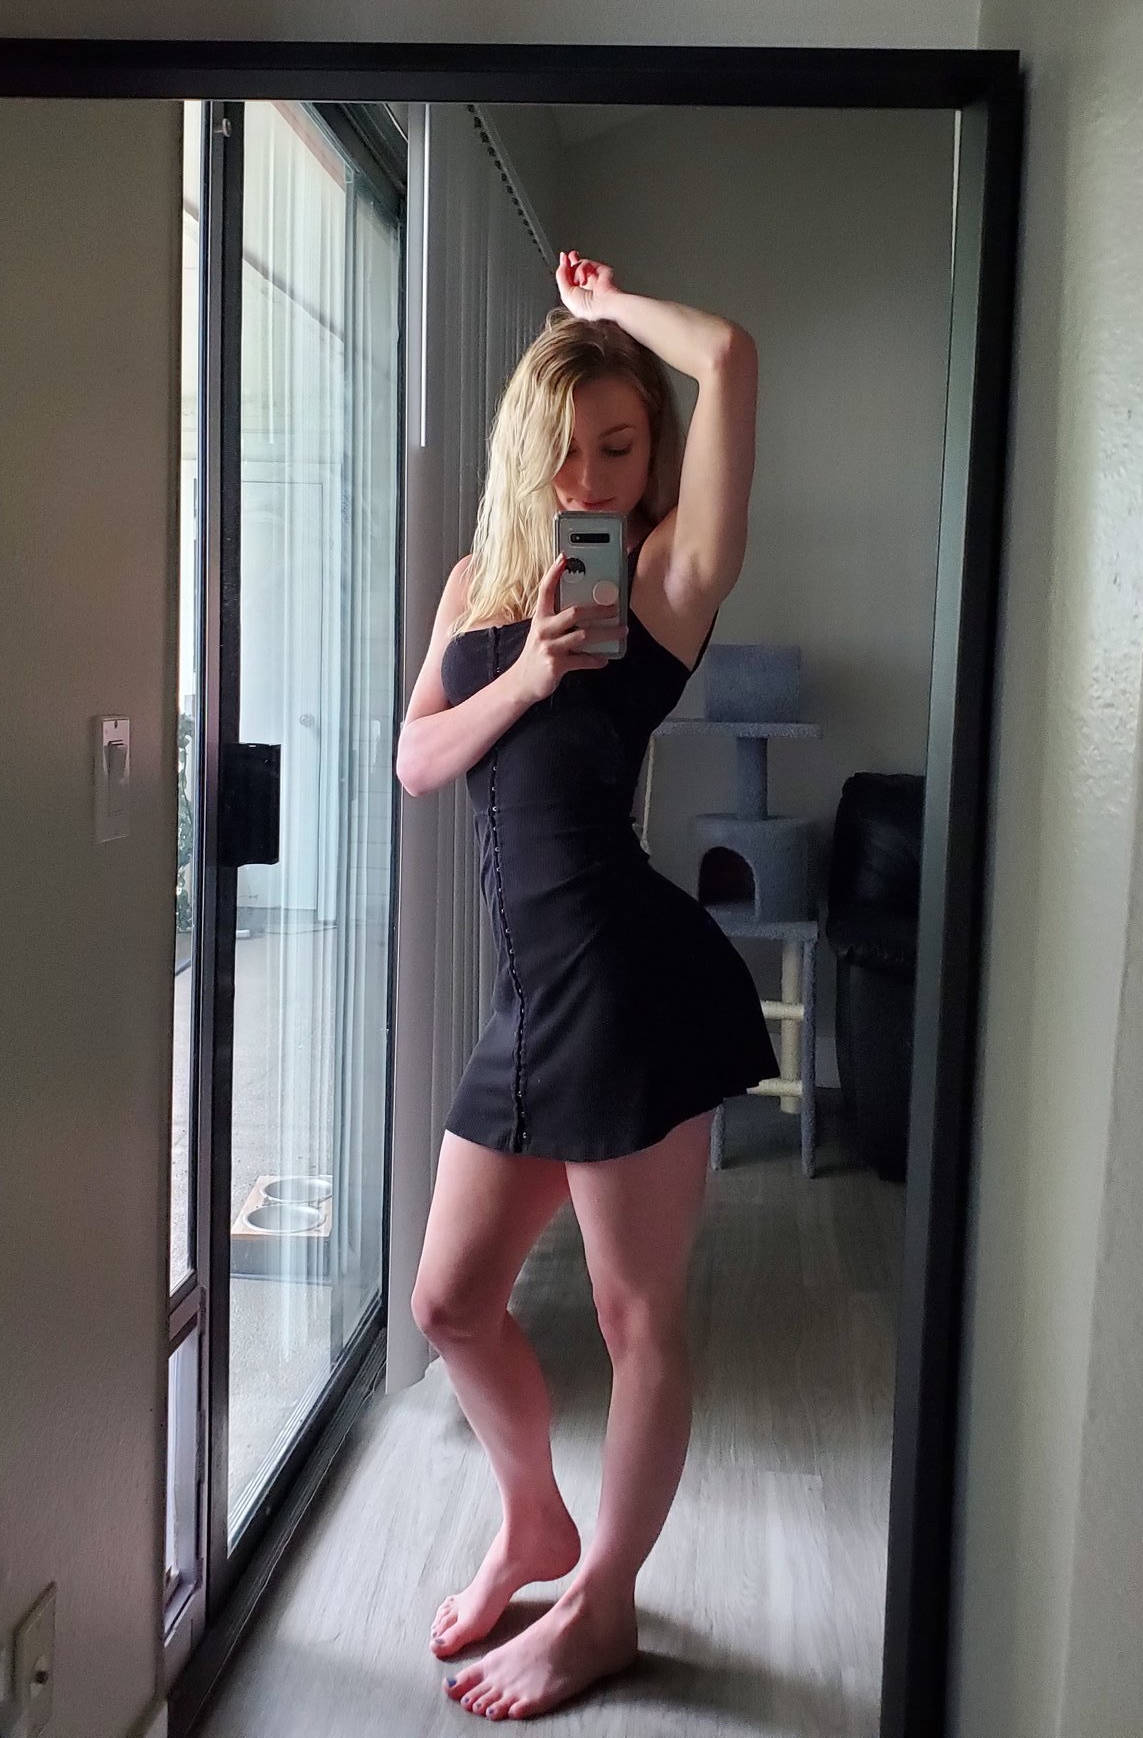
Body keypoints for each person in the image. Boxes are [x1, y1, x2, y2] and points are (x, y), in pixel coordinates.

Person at [396, 251, 777, 1720]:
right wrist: (532, 674)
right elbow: (417, 761)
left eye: (621, 447)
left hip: (629, 988)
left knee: (635, 1320)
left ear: (652, 455)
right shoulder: (476, 590)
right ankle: (535, 1527)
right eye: (567, 448)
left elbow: (728, 353)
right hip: (531, 1001)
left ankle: (603, 1607)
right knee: (448, 1304)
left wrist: (608, 313)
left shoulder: (667, 582)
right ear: (524, 449)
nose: (593, 477)